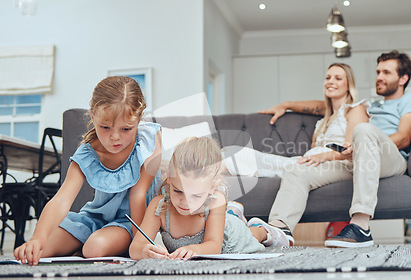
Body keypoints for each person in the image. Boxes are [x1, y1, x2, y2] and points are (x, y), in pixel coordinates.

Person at [260, 50, 411, 248]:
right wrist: (286, 105)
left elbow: (404, 138)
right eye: (378, 71)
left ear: (403, 78)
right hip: (359, 158)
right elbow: (324, 106)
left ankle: (361, 226)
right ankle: (280, 230)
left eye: (386, 73)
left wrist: (363, 144)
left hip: (390, 159)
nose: (379, 77)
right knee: (297, 169)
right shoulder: (370, 106)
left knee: (363, 130)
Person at [14, 76, 163, 265]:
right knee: (41, 251)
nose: (115, 137)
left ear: (139, 119)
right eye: (105, 127)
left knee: (94, 248)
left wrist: (139, 245)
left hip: (130, 222)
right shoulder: (87, 153)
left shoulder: (150, 139)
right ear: (93, 116)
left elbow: (138, 194)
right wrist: (37, 238)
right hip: (93, 218)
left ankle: (84, 251)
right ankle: (78, 250)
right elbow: (61, 199)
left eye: (126, 129)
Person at [223, 63, 370, 247]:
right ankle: (225, 213)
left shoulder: (355, 109)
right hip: (312, 163)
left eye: (338, 78)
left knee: (285, 167)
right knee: (242, 155)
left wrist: (322, 157)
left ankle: (277, 228)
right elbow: (313, 106)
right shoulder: (327, 115)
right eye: (328, 77)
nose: (331, 82)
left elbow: (351, 150)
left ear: (349, 85)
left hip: (337, 164)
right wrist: (286, 105)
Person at [129, 137, 289, 261]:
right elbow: (135, 246)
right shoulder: (160, 205)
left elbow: (214, 246)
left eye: (196, 196)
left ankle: (263, 229)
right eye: (178, 191)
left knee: (250, 235)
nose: (185, 203)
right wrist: (144, 250)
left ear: (212, 188)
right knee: (228, 219)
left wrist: (195, 250)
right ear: (169, 179)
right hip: (217, 222)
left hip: (230, 240)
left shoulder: (215, 200)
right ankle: (232, 212)